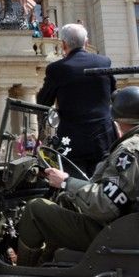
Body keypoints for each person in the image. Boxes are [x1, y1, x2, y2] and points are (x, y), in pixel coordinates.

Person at [18, 86, 139, 263]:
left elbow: (106, 206)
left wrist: (66, 182)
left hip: (114, 230)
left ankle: (23, 269)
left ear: (119, 119)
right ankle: (49, 264)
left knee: (35, 209)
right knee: (66, 200)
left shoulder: (130, 151)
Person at [36, 23, 117, 176]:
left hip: (72, 141)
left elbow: (43, 102)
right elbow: (114, 93)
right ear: (86, 42)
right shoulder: (104, 62)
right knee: (104, 182)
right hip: (104, 139)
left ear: (63, 45)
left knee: (74, 185)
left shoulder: (57, 69)